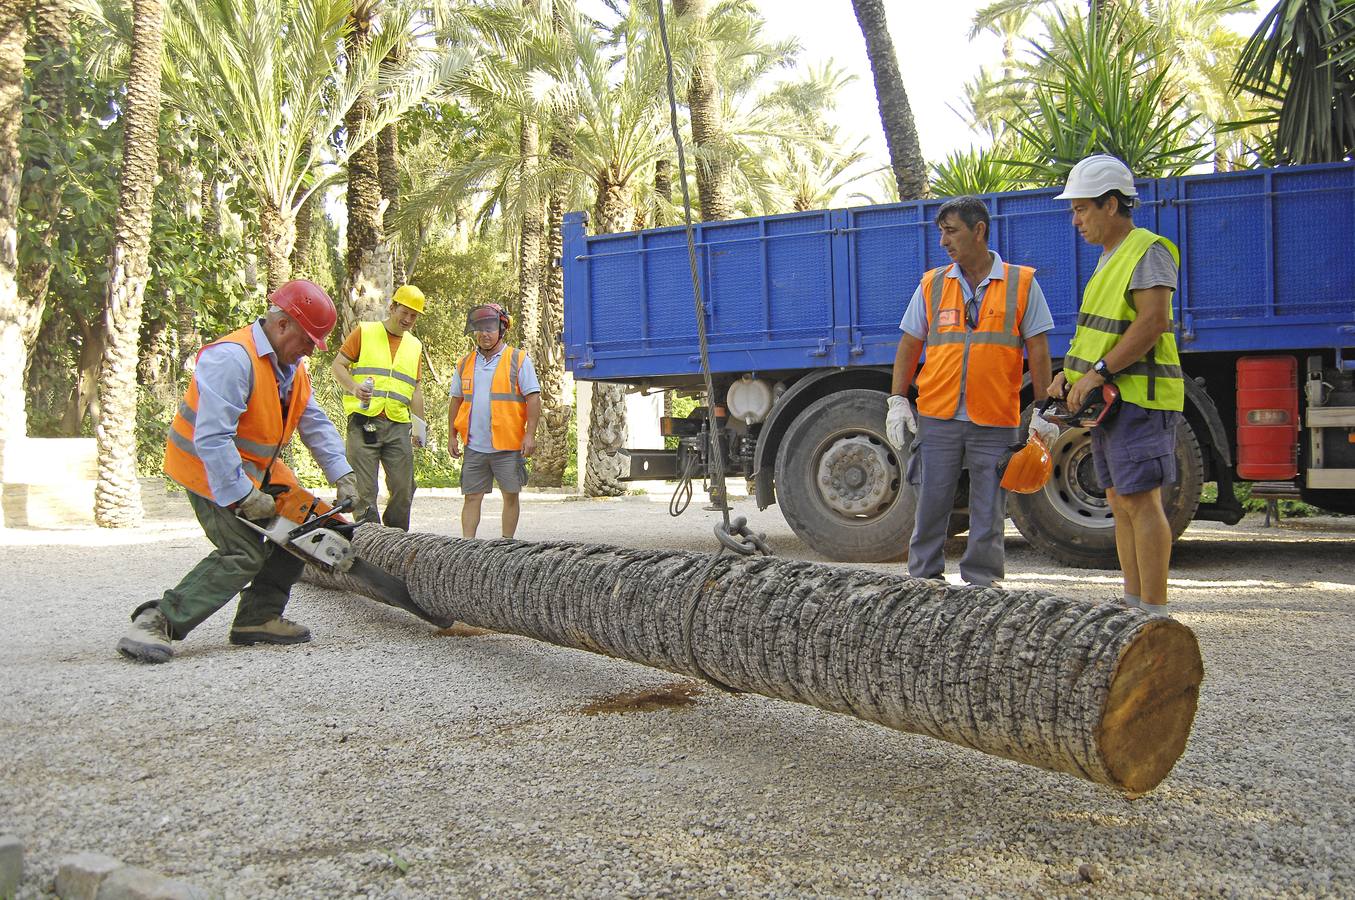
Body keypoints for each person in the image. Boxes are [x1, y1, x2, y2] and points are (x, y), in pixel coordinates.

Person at [116, 280, 359, 663]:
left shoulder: (292, 367)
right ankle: (156, 620)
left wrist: (342, 472)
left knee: (306, 526)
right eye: (309, 339)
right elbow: (211, 438)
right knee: (243, 554)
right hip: (208, 471)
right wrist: (243, 496)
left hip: (255, 472)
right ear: (282, 326)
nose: (312, 349)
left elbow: (314, 422)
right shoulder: (232, 359)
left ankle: (258, 618)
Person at [886, 196, 1055, 587]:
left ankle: (982, 582)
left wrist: (1045, 409)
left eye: (951, 231)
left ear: (979, 231)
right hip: (938, 415)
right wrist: (897, 399)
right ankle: (924, 580)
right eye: (941, 233)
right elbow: (910, 344)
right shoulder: (933, 284)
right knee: (930, 502)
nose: (944, 241)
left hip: (994, 417)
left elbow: (1040, 350)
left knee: (989, 508)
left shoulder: (1020, 283)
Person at [1046, 155, 1183, 617]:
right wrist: (1070, 371)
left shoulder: (1147, 250)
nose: (1075, 220)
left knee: (1140, 503)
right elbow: (1099, 331)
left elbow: (1153, 323)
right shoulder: (1110, 259)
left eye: (1081, 208)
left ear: (1110, 204)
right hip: (1113, 400)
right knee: (1119, 500)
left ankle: (1155, 612)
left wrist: (1098, 372)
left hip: (1139, 398)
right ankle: (1133, 606)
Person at [331, 284, 428, 531]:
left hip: (397, 424)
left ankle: (394, 538)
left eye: (413, 315)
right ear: (392, 307)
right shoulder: (365, 332)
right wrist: (353, 387)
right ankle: (370, 538)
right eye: (404, 312)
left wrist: (420, 428)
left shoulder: (414, 346)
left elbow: (415, 389)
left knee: (404, 486)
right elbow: (338, 366)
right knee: (365, 489)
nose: (407, 319)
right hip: (364, 423)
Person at [447, 303, 541, 539]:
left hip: (508, 445)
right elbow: (456, 401)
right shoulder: (465, 363)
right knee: (472, 496)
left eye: (490, 328)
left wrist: (530, 434)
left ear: (501, 329)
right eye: (480, 328)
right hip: (474, 445)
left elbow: (533, 398)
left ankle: (506, 545)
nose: (484, 333)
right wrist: (451, 436)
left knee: (510, 495)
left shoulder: (518, 359)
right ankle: (467, 545)